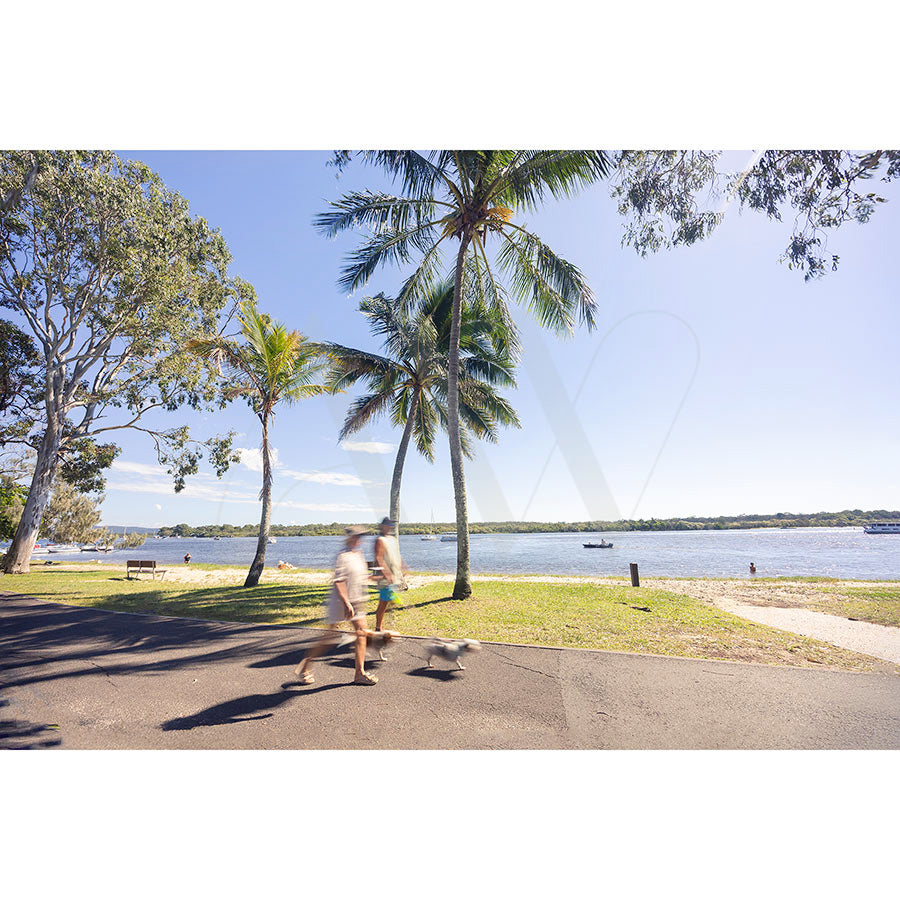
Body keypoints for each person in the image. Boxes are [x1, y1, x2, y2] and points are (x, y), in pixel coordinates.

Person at [295, 526, 379, 686]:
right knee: (329, 637)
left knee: (361, 634)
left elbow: (361, 576)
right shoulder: (343, 556)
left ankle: (359, 674)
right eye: (357, 536)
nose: (360, 539)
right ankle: (306, 666)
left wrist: (378, 577)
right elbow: (339, 581)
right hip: (341, 602)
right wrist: (346, 602)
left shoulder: (358, 555)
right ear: (350, 537)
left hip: (356, 601)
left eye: (362, 536)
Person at [374, 516, 407, 632]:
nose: (390, 527)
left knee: (390, 600)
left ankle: (389, 620)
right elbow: (379, 558)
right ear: (382, 526)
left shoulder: (392, 539)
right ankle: (378, 627)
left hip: (395, 575)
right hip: (385, 577)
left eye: (392, 525)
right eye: (388, 525)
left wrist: (403, 566)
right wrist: (387, 574)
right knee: (383, 602)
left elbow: (396, 554)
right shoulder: (380, 540)